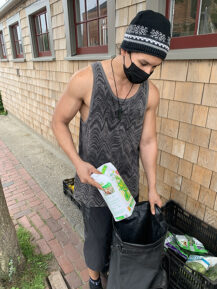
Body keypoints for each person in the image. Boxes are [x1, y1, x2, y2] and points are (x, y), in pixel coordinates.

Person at [52, 9, 171, 289]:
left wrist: (153, 187)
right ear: (125, 49)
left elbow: (148, 141)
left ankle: (115, 278)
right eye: (143, 63)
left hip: (127, 185)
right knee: (96, 242)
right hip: (92, 182)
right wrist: (77, 163)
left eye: (154, 67)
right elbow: (58, 122)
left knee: (122, 242)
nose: (147, 72)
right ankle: (95, 282)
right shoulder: (86, 80)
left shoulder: (150, 93)